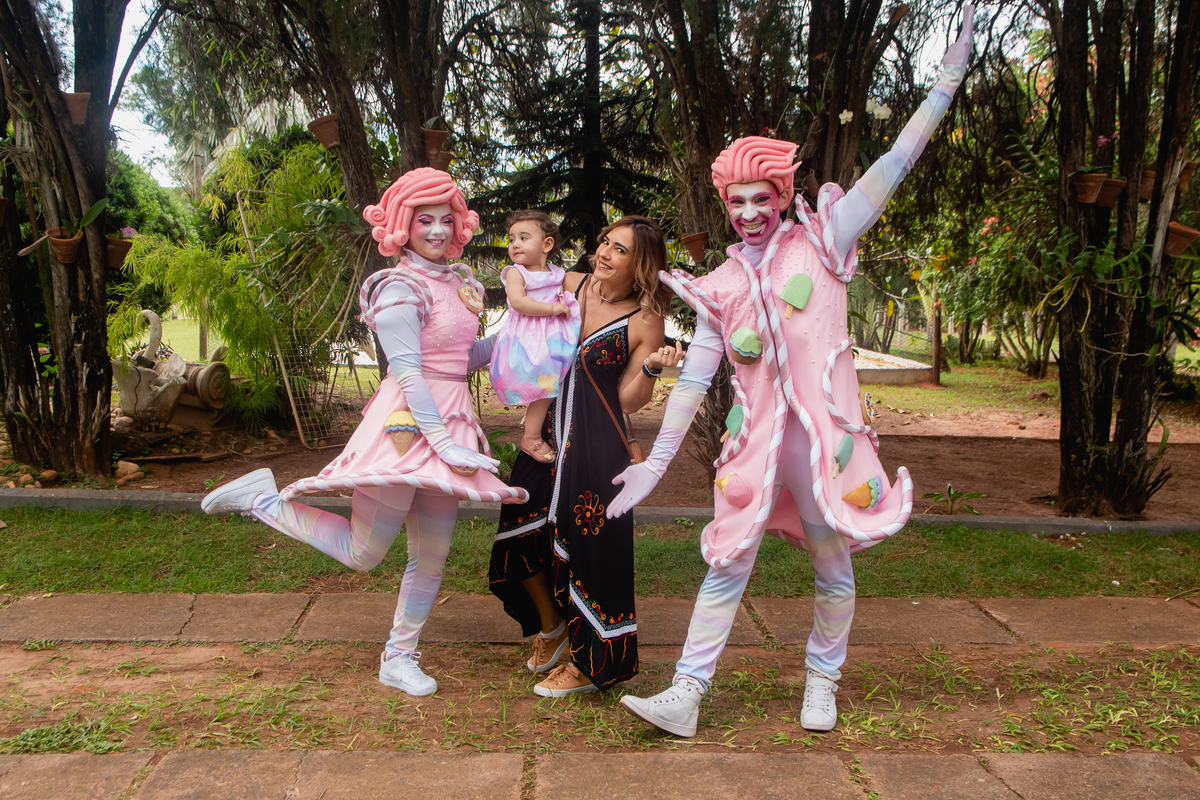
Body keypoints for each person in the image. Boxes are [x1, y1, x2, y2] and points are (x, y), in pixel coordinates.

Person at [609, 6, 975, 737]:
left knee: (833, 566)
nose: (749, 213)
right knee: (727, 562)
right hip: (755, 448)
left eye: (761, 199)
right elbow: (695, 380)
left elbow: (894, 164)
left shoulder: (824, 241)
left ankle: (822, 679)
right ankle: (687, 692)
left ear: (780, 198)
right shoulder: (720, 285)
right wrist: (654, 463)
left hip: (824, 449)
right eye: (736, 203)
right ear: (725, 207)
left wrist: (946, 82)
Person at [200, 168, 525, 697]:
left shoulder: (457, 281)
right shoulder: (398, 287)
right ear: (402, 224)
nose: (438, 230)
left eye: (446, 219)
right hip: (407, 425)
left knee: (432, 555)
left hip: (452, 419)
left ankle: (398, 656)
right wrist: (443, 444)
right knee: (363, 552)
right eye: (424, 220)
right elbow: (411, 373)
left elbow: (459, 358)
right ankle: (262, 500)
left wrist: (521, 334)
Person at [488, 215, 682, 697]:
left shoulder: (645, 320)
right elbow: (522, 290)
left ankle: (590, 663)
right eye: (605, 242)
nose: (605, 253)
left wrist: (651, 369)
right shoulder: (570, 285)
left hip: (598, 447)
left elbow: (628, 401)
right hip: (547, 436)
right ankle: (552, 628)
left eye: (619, 249)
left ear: (640, 264)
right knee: (518, 528)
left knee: (593, 554)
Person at [489, 211, 581, 463]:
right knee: (546, 387)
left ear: (547, 244)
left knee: (555, 385)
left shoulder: (558, 274)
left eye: (523, 238)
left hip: (552, 340)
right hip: (527, 341)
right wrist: (552, 309)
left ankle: (546, 428)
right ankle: (531, 437)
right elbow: (519, 302)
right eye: (511, 239)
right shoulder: (516, 272)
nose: (515, 244)